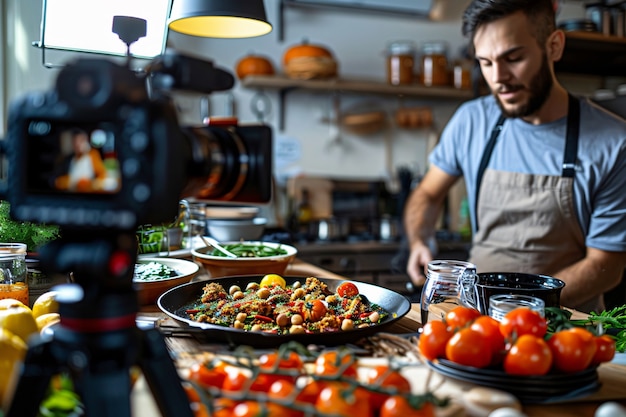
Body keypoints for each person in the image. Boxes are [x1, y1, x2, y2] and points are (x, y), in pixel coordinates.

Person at [403, 0, 626, 313]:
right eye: (486, 62)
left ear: (554, 46)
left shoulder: (614, 143)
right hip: (477, 323)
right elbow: (427, 193)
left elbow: (606, 265)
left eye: (514, 58)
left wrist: (520, 311)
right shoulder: (471, 121)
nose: (499, 78)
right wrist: (419, 241)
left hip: (564, 330)